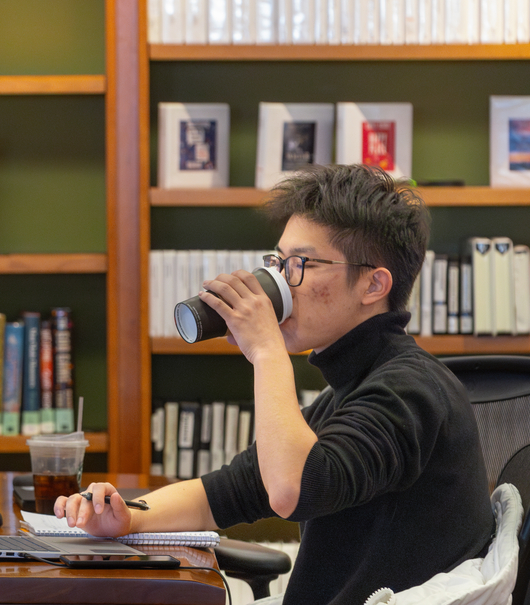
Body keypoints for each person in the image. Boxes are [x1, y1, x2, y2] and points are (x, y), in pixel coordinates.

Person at [57, 164, 494, 605]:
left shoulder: (410, 390)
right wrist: (127, 518)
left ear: (373, 284)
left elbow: (293, 490)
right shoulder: (352, 388)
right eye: (277, 262)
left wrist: (266, 349)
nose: (281, 282)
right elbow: (230, 490)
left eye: (300, 264)